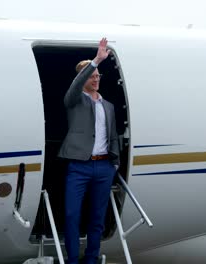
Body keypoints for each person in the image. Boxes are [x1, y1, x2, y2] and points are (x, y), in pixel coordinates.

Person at [58, 37, 119, 264]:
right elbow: (75, 87)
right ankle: (73, 260)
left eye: (97, 76)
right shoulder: (74, 100)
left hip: (104, 167)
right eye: (92, 76)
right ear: (83, 79)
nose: (96, 79)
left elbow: (113, 137)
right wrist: (95, 61)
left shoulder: (109, 106)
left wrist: (114, 164)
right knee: (72, 215)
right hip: (79, 166)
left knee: (97, 218)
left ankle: (91, 259)